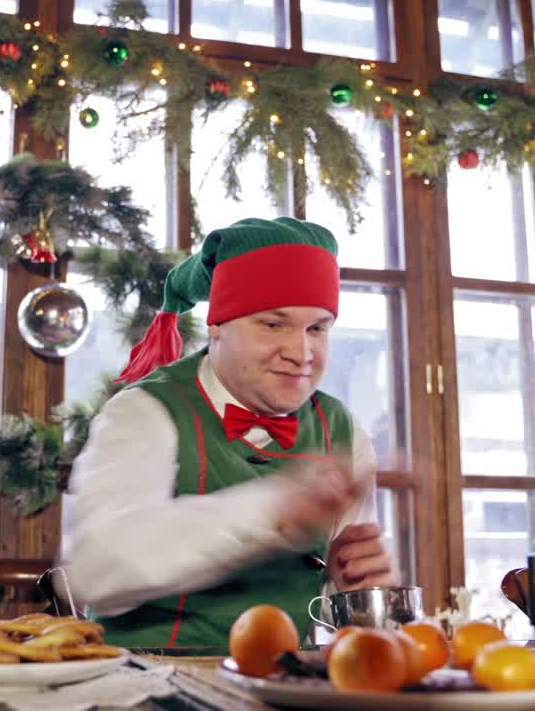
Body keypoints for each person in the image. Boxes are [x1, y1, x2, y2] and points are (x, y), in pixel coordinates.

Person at [62, 217, 395, 648]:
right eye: (273, 325)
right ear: (217, 325)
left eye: (317, 328)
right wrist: (275, 508)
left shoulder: (344, 433)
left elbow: (338, 614)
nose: (301, 353)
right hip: (151, 688)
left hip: (281, 687)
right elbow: (97, 569)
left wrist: (356, 589)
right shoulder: (145, 411)